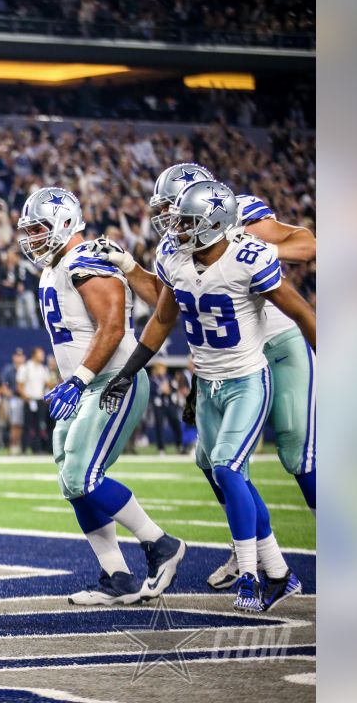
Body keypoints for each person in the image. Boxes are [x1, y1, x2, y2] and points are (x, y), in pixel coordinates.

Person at [99, 180, 315, 613]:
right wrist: (128, 267)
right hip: (216, 366)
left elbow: (307, 250)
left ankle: (269, 567)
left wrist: (256, 249)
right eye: (168, 212)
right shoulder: (176, 255)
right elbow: (166, 310)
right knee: (219, 465)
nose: (170, 224)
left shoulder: (245, 238)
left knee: (295, 454)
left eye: (178, 214)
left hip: (271, 352)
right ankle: (271, 566)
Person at [16, 186, 185, 605]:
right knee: (71, 480)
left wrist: (79, 379)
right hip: (84, 383)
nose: (33, 239)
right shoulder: (53, 267)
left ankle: (161, 544)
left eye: (39, 230)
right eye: (30, 231)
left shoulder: (86, 259)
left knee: (82, 476)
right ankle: (118, 577)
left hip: (113, 380)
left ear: (64, 223)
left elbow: (111, 326)